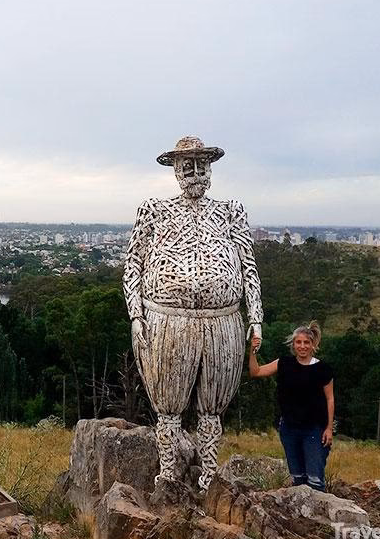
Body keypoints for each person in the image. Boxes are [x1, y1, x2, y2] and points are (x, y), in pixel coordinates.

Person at [123, 136, 263, 489]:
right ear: (175, 170)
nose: (196, 173)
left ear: (211, 169)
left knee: (213, 408)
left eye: (203, 166)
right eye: (188, 166)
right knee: (168, 407)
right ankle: (168, 477)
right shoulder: (154, 210)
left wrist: (256, 316)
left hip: (223, 320)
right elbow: (133, 265)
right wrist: (136, 314)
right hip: (167, 320)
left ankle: (209, 478)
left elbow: (248, 265)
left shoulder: (230, 211)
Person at [248, 321, 335, 492]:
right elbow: (256, 372)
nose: (302, 346)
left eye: (306, 343)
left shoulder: (323, 369)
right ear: (293, 344)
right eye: (298, 342)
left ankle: (317, 513)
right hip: (289, 428)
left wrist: (329, 428)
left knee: (315, 479)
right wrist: (252, 351)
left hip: (314, 429)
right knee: (297, 477)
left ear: (313, 345)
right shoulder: (284, 364)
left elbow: (330, 399)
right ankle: (301, 517)